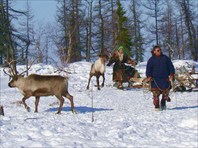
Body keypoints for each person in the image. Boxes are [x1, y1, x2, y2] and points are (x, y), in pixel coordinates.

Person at [146, 45, 175, 111]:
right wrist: (149, 76)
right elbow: (148, 69)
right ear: (154, 51)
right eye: (158, 50)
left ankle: (163, 103)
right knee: (156, 96)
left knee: (165, 94)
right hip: (155, 80)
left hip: (165, 79)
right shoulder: (151, 60)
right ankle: (156, 106)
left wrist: (172, 74)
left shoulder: (166, 58)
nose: (160, 51)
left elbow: (171, 67)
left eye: (160, 50)